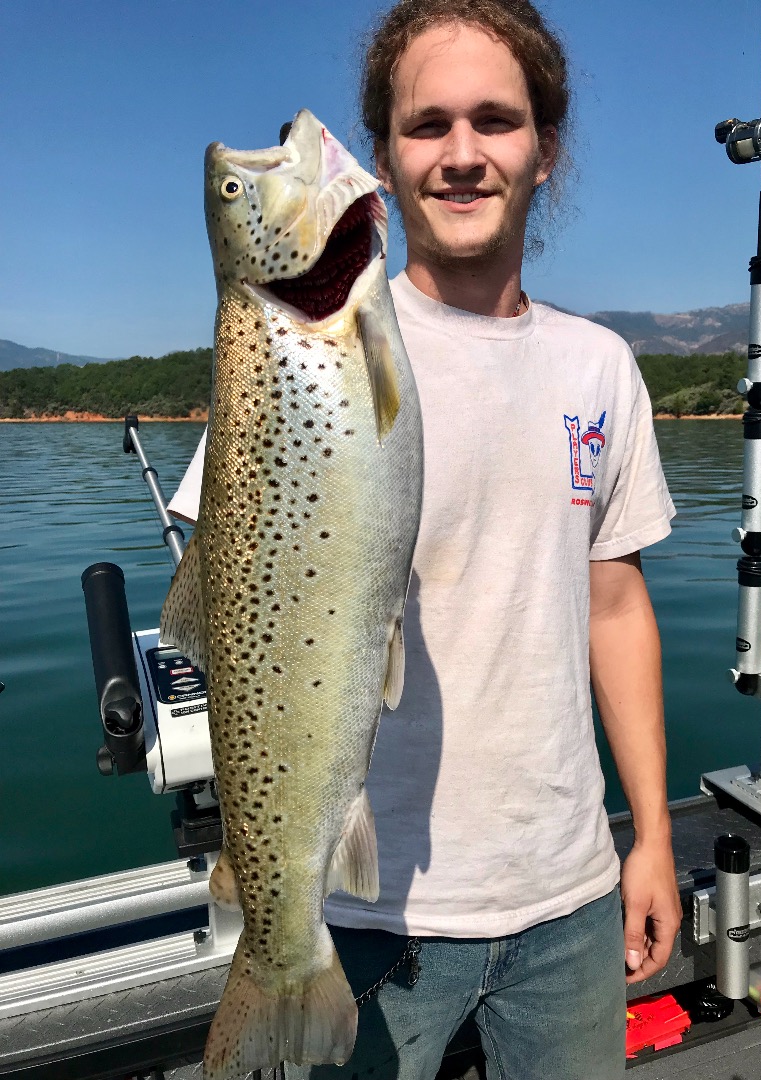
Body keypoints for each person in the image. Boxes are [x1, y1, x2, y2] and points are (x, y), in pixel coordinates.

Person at [170, 1, 682, 1076]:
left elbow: (616, 606)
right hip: (364, 911)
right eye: (425, 125)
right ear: (385, 161)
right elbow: (221, 611)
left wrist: (654, 835)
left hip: (570, 896)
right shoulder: (282, 367)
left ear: (546, 150)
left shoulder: (601, 367)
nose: (461, 154)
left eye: (495, 120)